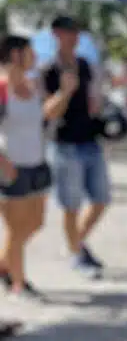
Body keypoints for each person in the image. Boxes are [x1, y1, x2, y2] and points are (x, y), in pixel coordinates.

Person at [0, 35, 70, 298]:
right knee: (16, 230)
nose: (37, 57)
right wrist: (3, 163)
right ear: (16, 55)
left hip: (38, 164)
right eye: (31, 52)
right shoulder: (2, 88)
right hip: (12, 167)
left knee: (36, 223)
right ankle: (19, 282)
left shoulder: (33, 86)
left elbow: (46, 115)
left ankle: (5, 264)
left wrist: (64, 93)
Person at [42, 16, 111, 277]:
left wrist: (96, 101)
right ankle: (76, 255)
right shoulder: (48, 70)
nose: (73, 37)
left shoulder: (85, 65)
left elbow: (95, 101)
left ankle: (76, 244)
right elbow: (47, 112)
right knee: (71, 205)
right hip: (65, 144)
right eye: (68, 32)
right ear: (56, 35)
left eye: (76, 32)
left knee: (101, 198)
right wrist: (65, 92)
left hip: (90, 140)